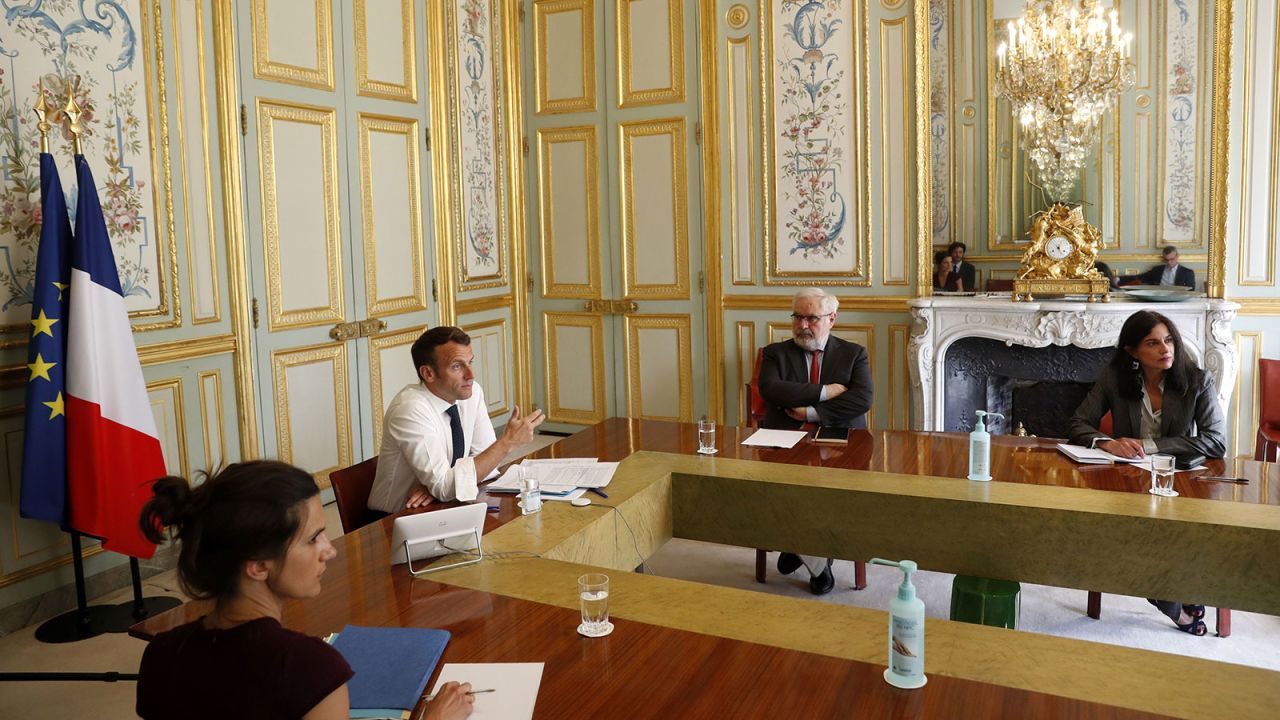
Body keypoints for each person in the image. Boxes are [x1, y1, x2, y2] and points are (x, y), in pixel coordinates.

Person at [135, 461, 475, 719]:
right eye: (313, 538)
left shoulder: (160, 655)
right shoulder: (313, 671)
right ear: (257, 565)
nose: (330, 550)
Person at [1067, 311, 1225, 636]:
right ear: (1132, 351)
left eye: (1168, 340)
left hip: (1180, 480)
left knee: (1174, 535)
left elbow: (1216, 441)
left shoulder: (1197, 380)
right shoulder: (1114, 378)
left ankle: (1180, 593)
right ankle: (1175, 605)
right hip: (1130, 482)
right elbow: (1077, 422)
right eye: (1152, 343)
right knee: (1136, 536)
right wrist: (1108, 444)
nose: (1165, 349)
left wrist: (1149, 445)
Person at [757, 288, 873, 595]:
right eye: (798, 317)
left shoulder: (854, 353)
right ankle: (819, 564)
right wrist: (826, 392)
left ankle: (797, 549)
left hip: (840, 440)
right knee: (789, 486)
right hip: (784, 438)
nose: (803, 325)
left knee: (828, 488)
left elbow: (862, 399)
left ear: (831, 319)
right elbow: (771, 389)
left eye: (812, 318)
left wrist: (811, 410)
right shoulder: (775, 353)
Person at [368, 326, 544, 513]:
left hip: (444, 505)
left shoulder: (472, 392)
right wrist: (507, 442)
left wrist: (440, 487)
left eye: (470, 362)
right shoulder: (410, 409)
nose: (471, 375)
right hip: (395, 517)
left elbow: (489, 464)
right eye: (457, 366)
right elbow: (447, 486)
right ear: (428, 373)